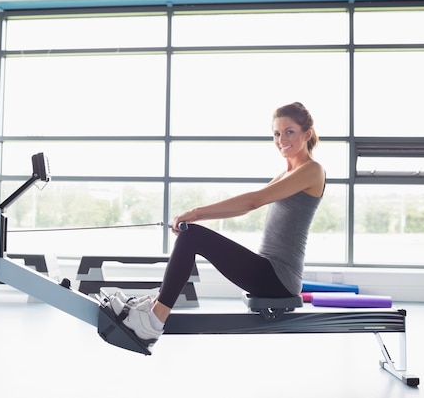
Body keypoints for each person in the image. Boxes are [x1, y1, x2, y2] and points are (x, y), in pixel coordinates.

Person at [108, 102, 325, 345]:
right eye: (276, 133)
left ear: (306, 134)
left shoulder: (313, 170)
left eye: (289, 131)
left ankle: (154, 321)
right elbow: (245, 205)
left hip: (279, 278)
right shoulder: (288, 174)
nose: (281, 139)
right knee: (192, 236)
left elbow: (254, 201)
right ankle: (153, 308)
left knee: (193, 237)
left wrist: (196, 213)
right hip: (269, 271)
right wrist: (197, 215)